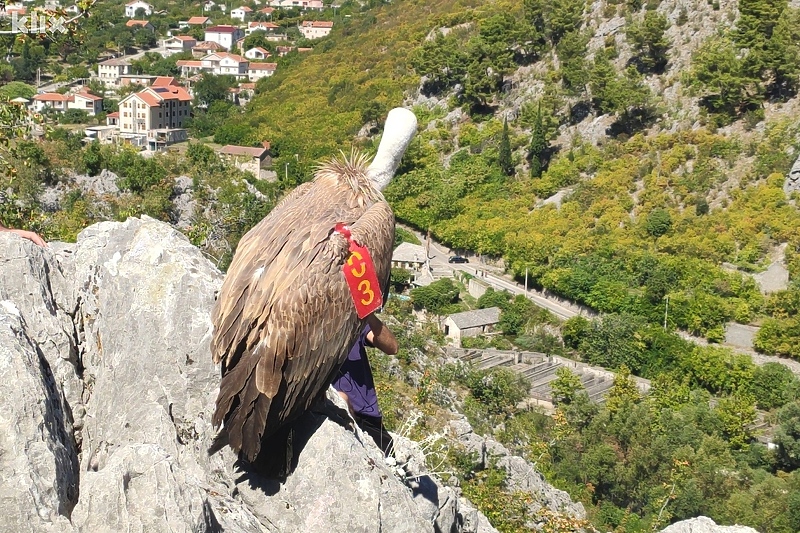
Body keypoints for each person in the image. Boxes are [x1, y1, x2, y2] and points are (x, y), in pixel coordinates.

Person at [333, 313, 398, 457]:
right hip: (332, 415)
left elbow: (391, 347)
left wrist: (367, 312)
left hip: (366, 414)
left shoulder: (349, 319)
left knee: (390, 464)